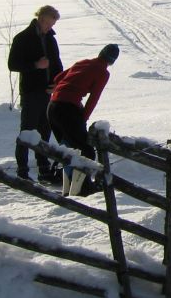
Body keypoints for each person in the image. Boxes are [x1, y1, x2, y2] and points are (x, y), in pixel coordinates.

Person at [48, 43, 120, 196]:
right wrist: (83, 118)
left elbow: (58, 78)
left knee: (68, 148)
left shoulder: (83, 62)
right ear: (112, 61)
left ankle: (69, 187)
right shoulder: (103, 72)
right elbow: (94, 98)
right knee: (86, 150)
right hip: (68, 110)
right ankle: (83, 188)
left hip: (52, 106)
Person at [7, 5, 64, 183]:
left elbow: (57, 65)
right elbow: (13, 64)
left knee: (44, 132)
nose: (49, 27)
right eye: (47, 23)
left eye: (52, 24)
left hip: (48, 93)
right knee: (27, 132)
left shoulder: (51, 40)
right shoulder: (23, 38)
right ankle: (22, 171)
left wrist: (57, 83)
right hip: (31, 92)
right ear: (40, 18)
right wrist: (35, 65)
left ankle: (43, 169)